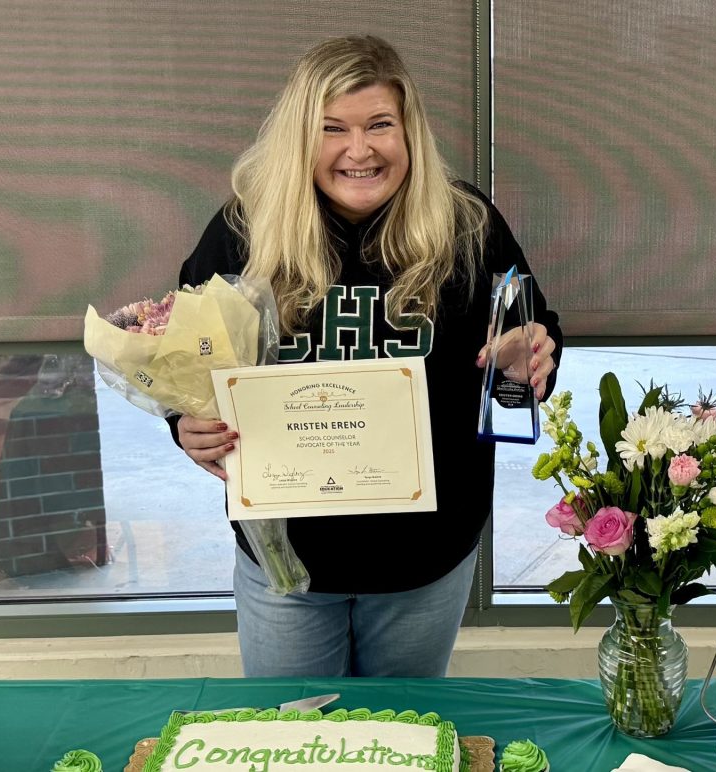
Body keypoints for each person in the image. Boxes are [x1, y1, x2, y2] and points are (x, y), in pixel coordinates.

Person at [170, 35, 562, 677]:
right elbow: (185, 361)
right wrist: (185, 424)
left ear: (409, 130)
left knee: (403, 726)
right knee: (292, 727)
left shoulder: (468, 226)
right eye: (333, 129)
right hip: (288, 561)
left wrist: (532, 362)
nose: (359, 150)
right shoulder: (244, 231)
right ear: (301, 136)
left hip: (426, 560)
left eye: (380, 124)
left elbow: (528, 340)